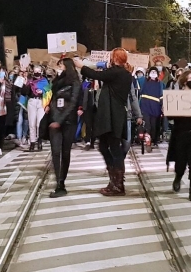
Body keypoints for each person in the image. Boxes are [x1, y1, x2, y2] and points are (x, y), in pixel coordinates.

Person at [75, 49, 134, 197]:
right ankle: (114, 181)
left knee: (114, 148)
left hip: (113, 116)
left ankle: (118, 184)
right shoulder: (123, 73)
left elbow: (95, 75)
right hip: (112, 115)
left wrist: (81, 66)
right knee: (105, 146)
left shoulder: (117, 72)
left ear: (115, 58)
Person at [46, 59, 82, 197]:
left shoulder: (75, 82)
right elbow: (53, 98)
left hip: (68, 121)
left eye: (60, 65)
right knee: (55, 151)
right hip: (55, 118)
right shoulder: (56, 82)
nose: (58, 67)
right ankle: (58, 183)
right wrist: (50, 109)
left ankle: (62, 183)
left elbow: (73, 103)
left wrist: (60, 120)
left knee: (65, 152)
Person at [169, 70, 191, 202]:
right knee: (181, 163)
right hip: (181, 135)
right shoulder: (178, 96)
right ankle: (178, 177)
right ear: (184, 81)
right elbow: (171, 116)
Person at [25, 64, 50, 152]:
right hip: (32, 101)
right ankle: (32, 143)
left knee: (39, 123)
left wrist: (42, 91)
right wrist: (26, 83)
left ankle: (39, 141)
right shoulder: (29, 80)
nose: (37, 73)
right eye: (35, 72)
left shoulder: (44, 80)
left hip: (41, 101)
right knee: (32, 123)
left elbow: (49, 92)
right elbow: (24, 93)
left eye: (38, 72)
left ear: (41, 72)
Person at [139, 67, 164, 147]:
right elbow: (139, 91)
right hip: (145, 106)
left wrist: (162, 105)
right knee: (147, 125)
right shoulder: (144, 82)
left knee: (154, 125)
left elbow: (161, 95)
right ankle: (147, 139)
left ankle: (154, 139)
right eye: (151, 72)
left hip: (155, 107)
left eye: (155, 72)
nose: (153, 73)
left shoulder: (160, 83)